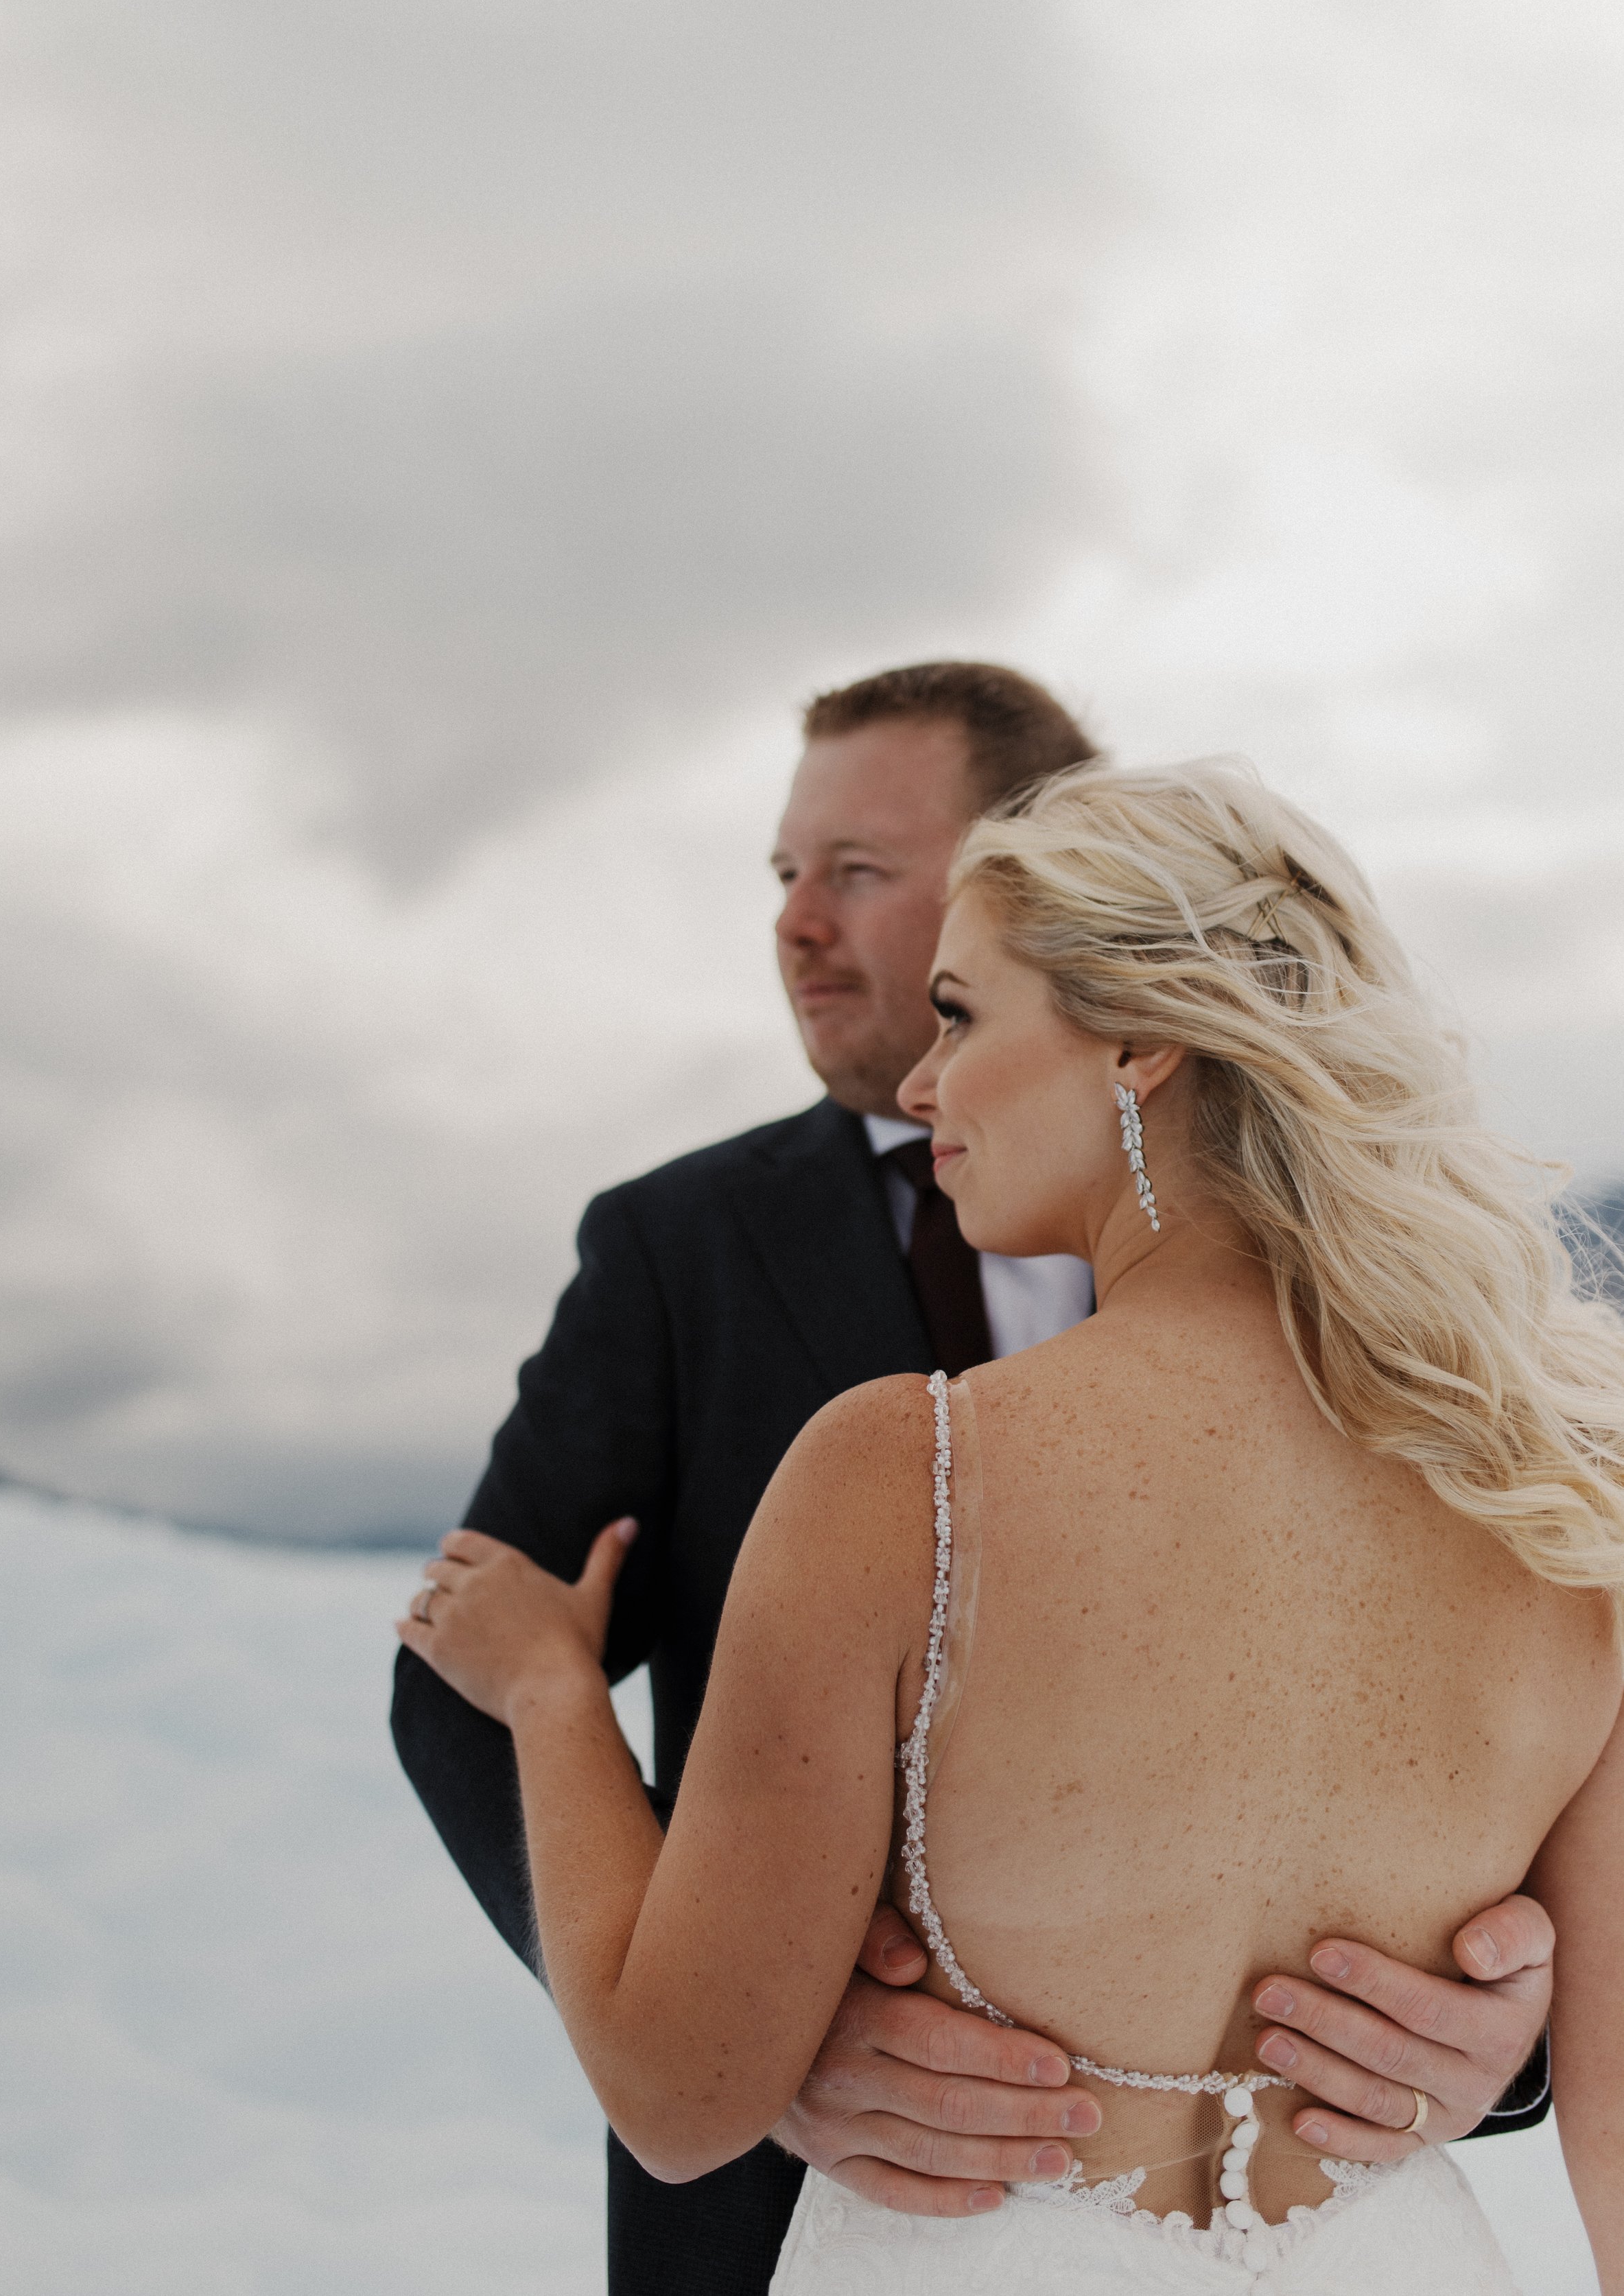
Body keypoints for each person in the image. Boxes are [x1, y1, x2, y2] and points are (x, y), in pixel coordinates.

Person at [392, 682, 1556, 2294]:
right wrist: (775, 2020)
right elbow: (444, 1692)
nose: (798, 922)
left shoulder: (890, 1456)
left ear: (1128, 1012)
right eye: (781, 872)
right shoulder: (1545, 1461)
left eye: (865, 876)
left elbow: (657, 2042)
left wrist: (1505, 2028)